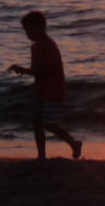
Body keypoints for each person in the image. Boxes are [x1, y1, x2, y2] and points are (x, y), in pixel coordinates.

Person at [8, 10, 83, 160]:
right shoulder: (40, 46)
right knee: (36, 122)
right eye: (26, 31)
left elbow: (41, 71)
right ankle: (41, 155)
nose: (27, 34)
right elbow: (38, 71)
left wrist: (21, 70)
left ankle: (74, 143)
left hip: (52, 91)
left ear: (39, 28)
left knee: (49, 124)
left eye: (28, 30)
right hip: (42, 90)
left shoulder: (45, 46)